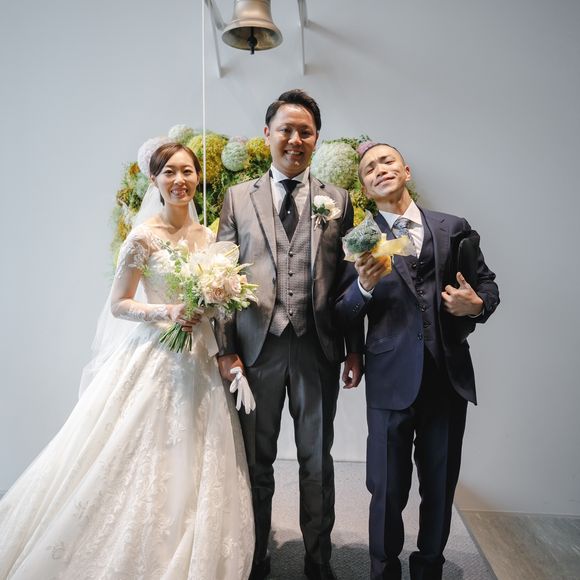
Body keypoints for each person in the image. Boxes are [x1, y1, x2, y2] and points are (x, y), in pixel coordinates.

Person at [0, 143, 254, 579]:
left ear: (198, 177)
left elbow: (220, 306)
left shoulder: (210, 239)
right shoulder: (142, 238)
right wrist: (166, 311)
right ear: (154, 180)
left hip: (199, 358)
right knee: (137, 456)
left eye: (187, 171)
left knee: (200, 453)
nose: (179, 180)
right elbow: (119, 304)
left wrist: (212, 311)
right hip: (157, 356)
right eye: (169, 172)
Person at [216, 89, 362, 580]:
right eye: (286, 130)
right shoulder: (238, 198)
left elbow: (347, 280)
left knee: (316, 461)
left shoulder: (338, 199)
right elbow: (221, 279)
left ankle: (318, 562)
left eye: (305, 132)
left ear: (316, 139)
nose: (295, 139)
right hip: (256, 350)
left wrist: (355, 349)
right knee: (255, 463)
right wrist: (226, 350)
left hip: (317, 347)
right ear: (268, 135)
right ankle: (255, 558)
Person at [335, 143, 499, 580]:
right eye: (369, 168)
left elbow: (486, 284)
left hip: (447, 378)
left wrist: (476, 305)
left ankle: (429, 569)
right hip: (390, 380)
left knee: (440, 485)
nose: (379, 169)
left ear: (405, 170)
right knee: (386, 488)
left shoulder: (452, 227)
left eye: (387, 161)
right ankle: (383, 570)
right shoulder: (358, 241)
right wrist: (363, 288)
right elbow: (341, 312)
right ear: (365, 188)